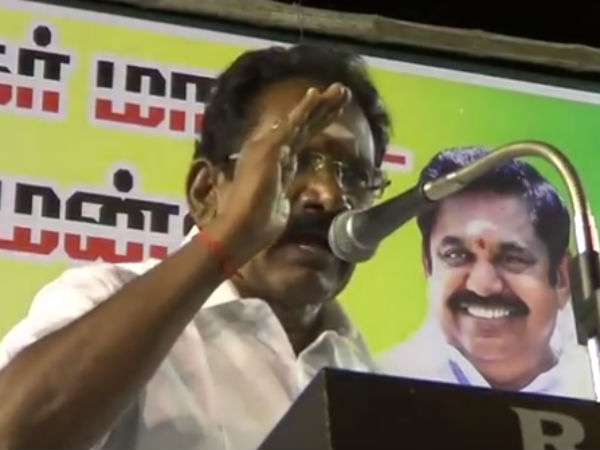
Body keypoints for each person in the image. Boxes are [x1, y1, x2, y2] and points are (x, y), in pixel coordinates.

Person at [0, 44, 390, 449]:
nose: (329, 196)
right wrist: (227, 241)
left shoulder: (365, 379)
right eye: (293, 161)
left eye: (356, 177)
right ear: (206, 192)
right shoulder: (102, 298)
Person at [380, 146, 594, 399]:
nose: (483, 285)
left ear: (561, 278)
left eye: (513, 258)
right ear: (427, 264)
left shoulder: (591, 384)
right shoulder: (380, 388)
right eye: (456, 255)